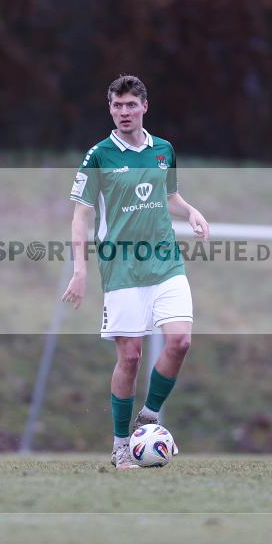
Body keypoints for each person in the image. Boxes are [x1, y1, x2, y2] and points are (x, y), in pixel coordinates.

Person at [62, 74, 209, 470]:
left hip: (165, 261)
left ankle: (149, 416)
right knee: (130, 357)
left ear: (144, 106)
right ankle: (121, 445)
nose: (124, 112)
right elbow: (81, 215)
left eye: (130, 105)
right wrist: (80, 270)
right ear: (110, 109)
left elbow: (170, 195)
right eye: (117, 105)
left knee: (180, 342)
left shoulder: (163, 150)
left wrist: (191, 210)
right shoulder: (99, 156)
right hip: (122, 267)